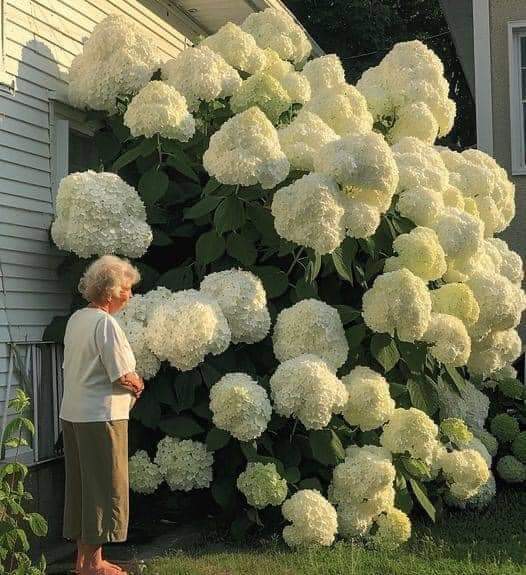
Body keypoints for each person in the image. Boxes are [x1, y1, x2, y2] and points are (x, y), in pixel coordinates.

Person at [59, 255, 144, 575]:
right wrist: (138, 382)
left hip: (75, 414)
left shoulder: (77, 319)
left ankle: (84, 560)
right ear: (110, 292)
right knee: (105, 488)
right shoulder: (105, 324)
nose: (130, 295)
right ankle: (92, 565)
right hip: (101, 418)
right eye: (127, 289)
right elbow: (122, 373)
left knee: (83, 488)